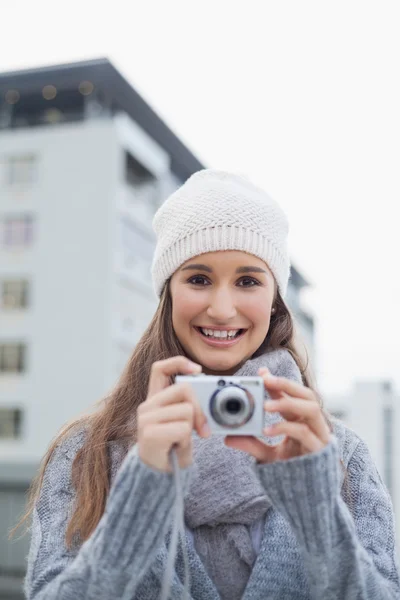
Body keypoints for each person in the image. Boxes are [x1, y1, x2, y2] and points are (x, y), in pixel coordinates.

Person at [16, 169, 400, 599]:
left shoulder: (338, 453)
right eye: (198, 279)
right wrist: (142, 489)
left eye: (248, 281)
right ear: (169, 294)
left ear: (275, 300)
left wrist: (315, 507)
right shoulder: (90, 450)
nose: (221, 308)